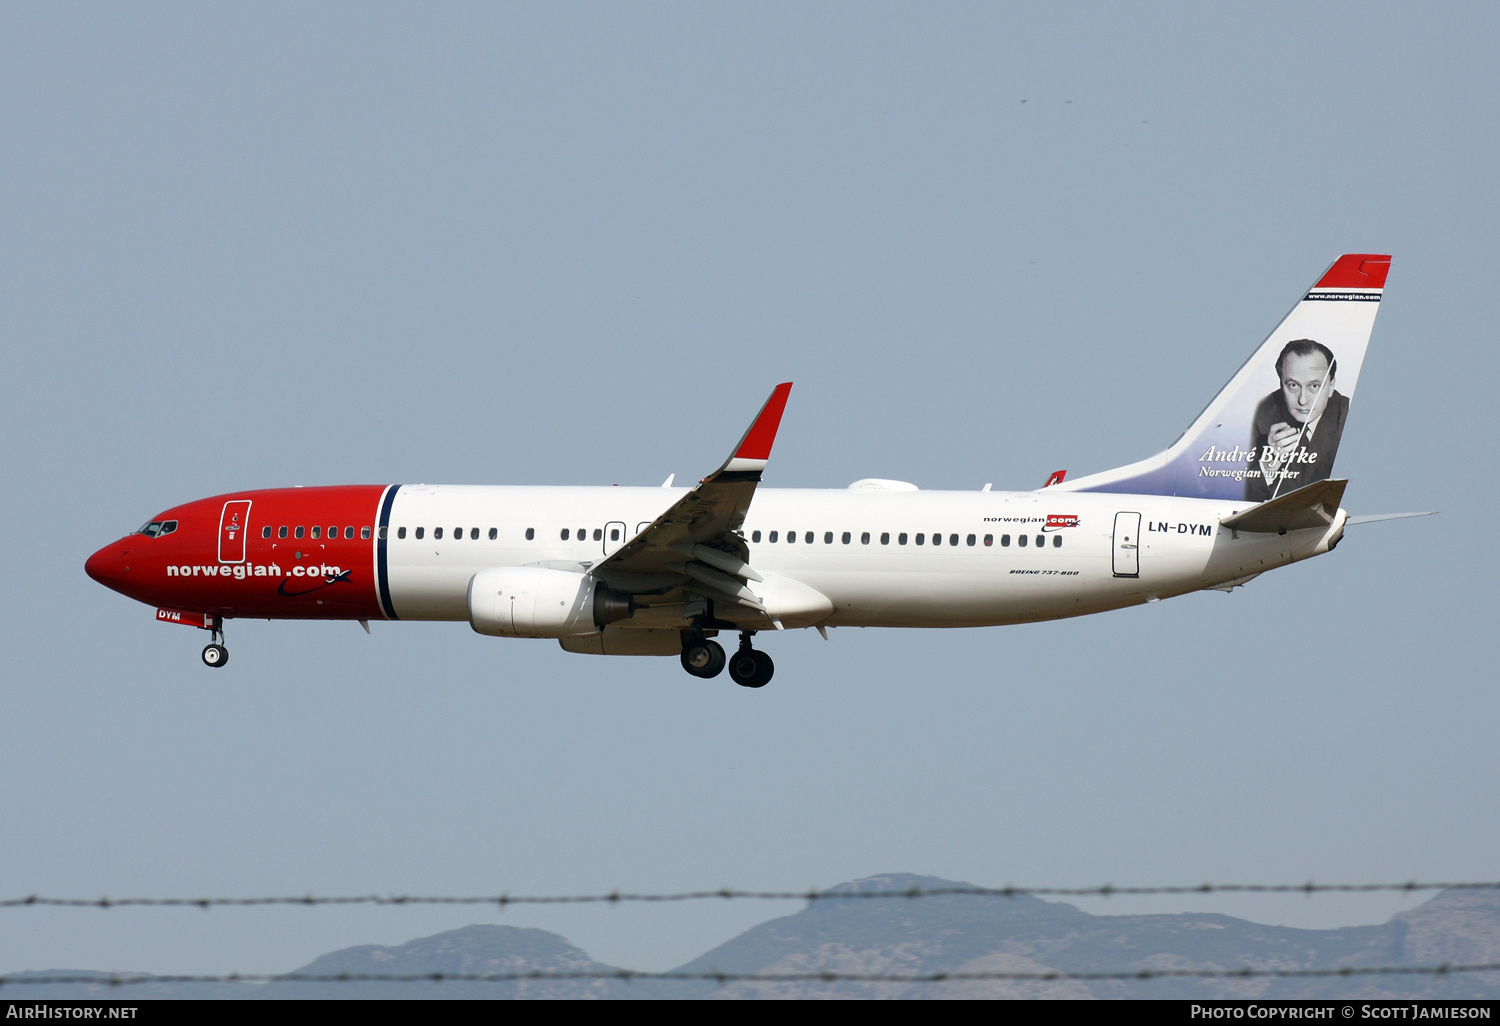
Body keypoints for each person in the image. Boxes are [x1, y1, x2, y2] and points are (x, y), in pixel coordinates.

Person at [1244, 339, 1348, 502]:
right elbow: (1236, 497)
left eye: (1314, 386)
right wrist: (1268, 464)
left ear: (1331, 386)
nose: (1302, 400)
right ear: (1281, 384)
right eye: (1293, 385)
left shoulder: (1346, 418)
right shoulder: (1260, 416)